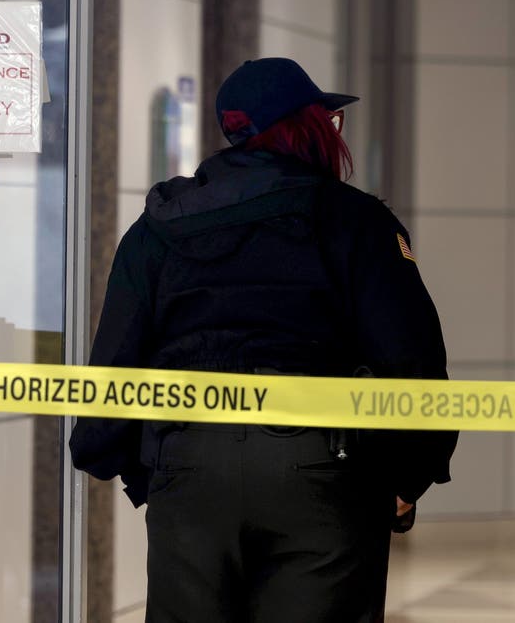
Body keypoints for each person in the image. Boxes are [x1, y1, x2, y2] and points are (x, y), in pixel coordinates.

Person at [69, 57, 456, 622]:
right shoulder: (356, 222)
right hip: (324, 469)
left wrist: (135, 463)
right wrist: (410, 473)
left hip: (189, 465)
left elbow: (116, 360)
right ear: (307, 128)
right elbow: (410, 357)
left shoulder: (159, 227)